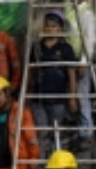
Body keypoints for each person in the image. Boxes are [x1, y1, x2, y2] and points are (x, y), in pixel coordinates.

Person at [29, 9, 79, 157]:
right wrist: (26, 94)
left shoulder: (65, 49)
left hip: (58, 98)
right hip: (39, 98)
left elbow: (71, 74)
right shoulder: (37, 48)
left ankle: (57, 165)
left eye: (55, 26)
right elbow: (31, 72)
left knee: (56, 132)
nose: (51, 29)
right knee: (42, 132)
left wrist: (72, 97)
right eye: (48, 26)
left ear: (60, 29)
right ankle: (43, 165)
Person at [64, 0, 96, 138]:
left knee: (83, 96)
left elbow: (90, 39)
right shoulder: (71, 8)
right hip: (69, 58)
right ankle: (74, 130)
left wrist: (84, 62)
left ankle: (86, 133)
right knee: (70, 94)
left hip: (79, 59)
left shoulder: (87, 14)